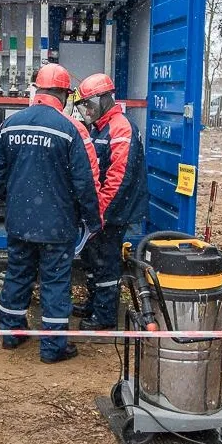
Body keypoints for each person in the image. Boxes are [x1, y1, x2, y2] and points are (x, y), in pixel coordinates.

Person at [0, 63, 102, 363]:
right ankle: (53, 347)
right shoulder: (70, 129)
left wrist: (13, 200)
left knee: (18, 274)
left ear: (37, 90)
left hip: (19, 220)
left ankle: (10, 334)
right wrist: (92, 219)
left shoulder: (10, 124)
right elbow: (84, 181)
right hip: (57, 224)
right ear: (64, 94)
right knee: (55, 283)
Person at [72, 73, 148, 329]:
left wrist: (99, 213)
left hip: (113, 212)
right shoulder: (103, 127)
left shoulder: (120, 128)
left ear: (104, 99)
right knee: (93, 260)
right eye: (83, 106)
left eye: (89, 104)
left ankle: (104, 317)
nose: (86, 111)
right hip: (103, 211)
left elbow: (118, 178)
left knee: (106, 263)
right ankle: (94, 305)